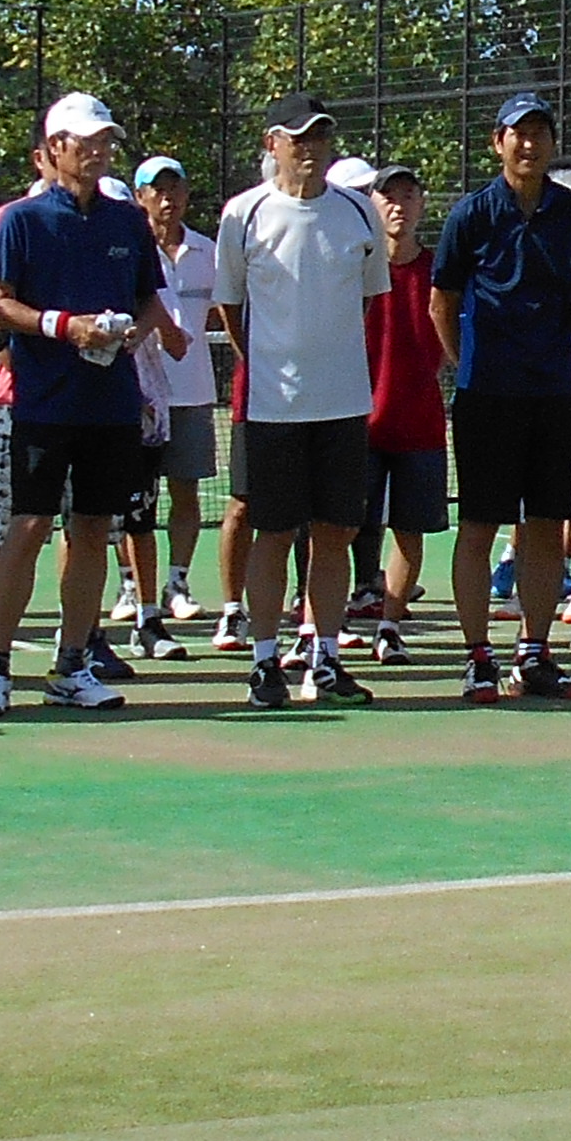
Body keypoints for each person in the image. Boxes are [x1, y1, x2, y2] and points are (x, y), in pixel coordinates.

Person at [0, 92, 169, 721]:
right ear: (55, 149)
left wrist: (128, 331)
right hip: (42, 403)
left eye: (105, 140)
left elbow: (147, 299)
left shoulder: (126, 220)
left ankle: (72, 664)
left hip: (109, 405)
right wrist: (62, 326)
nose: (99, 150)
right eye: (86, 142)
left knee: (90, 532)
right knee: (26, 528)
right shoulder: (22, 221)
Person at [208, 101, 389, 709]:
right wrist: (269, 363)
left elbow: (367, 300)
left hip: (342, 405)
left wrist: (330, 364)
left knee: (336, 532)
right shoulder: (243, 213)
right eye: (297, 139)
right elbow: (230, 306)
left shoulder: (358, 211)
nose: (310, 149)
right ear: (273, 144)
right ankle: (265, 664)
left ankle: (327, 659)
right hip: (272, 409)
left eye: (320, 137)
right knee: (274, 533)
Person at [430, 95, 571, 705]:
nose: (529, 144)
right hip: (486, 399)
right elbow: (441, 303)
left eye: (539, 134)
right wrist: (468, 366)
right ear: (497, 142)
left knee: (544, 526)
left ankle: (534, 652)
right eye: (518, 134)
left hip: (554, 395)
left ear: (552, 144)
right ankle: (479, 656)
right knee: (479, 526)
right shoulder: (471, 215)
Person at [126, 153, 227, 654]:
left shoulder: (208, 251)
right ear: (140, 195)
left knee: (185, 493)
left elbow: (221, 313)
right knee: (133, 500)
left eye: (176, 189)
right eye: (157, 189)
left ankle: (177, 583)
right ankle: (132, 587)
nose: (168, 199)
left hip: (192, 395)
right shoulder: (125, 250)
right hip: (136, 396)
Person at [356, 161, 447, 658]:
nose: (398, 205)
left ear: (421, 205)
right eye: (388, 196)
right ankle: (314, 634)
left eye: (408, 195)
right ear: (371, 204)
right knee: (338, 528)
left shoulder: (440, 271)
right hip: (357, 425)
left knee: (410, 533)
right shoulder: (355, 267)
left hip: (421, 426)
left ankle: (389, 629)